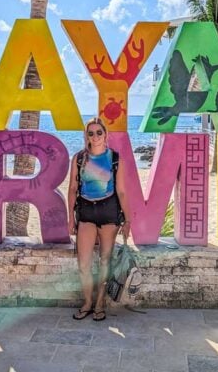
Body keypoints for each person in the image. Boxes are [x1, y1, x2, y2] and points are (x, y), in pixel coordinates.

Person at [67, 117, 132, 321]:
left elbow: (121, 191)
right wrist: (70, 217)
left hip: (109, 212)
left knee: (105, 261)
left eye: (99, 132)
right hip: (86, 211)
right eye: (91, 133)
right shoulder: (78, 159)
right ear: (86, 136)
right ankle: (87, 302)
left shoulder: (115, 159)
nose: (95, 137)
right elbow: (72, 189)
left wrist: (127, 220)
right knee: (83, 264)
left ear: (106, 135)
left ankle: (99, 303)